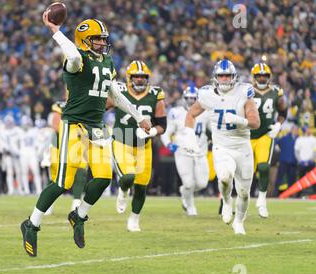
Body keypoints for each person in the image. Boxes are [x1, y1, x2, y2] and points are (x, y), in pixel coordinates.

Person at [20, 13, 151, 257]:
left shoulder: (107, 61)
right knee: (62, 183)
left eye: (103, 39)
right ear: (83, 40)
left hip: (97, 126)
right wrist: (55, 30)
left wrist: (138, 116)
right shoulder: (76, 60)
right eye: (97, 39)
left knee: (103, 178)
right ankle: (32, 224)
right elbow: (71, 54)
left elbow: (116, 95)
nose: (102, 43)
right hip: (74, 125)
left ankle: (78, 216)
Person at [184, 59, 260, 235]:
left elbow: (256, 122)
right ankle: (226, 202)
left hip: (242, 147)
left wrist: (240, 121)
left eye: (228, 76)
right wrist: (189, 137)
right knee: (225, 178)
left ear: (234, 77)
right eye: (221, 76)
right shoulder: (207, 94)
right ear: (215, 77)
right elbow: (191, 115)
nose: (225, 79)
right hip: (222, 146)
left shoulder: (244, 91)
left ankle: (239, 221)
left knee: (244, 192)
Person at [108, 60, 166, 231]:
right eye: (136, 76)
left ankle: (134, 219)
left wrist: (152, 132)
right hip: (121, 140)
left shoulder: (156, 94)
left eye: (143, 77)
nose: (140, 80)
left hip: (144, 146)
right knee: (127, 177)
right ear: (129, 77)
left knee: (141, 186)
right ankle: (123, 191)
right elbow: (100, 108)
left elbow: (163, 125)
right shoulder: (119, 91)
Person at [162, 85, 210, 216]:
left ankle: (184, 191)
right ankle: (190, 206)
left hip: (200, 152)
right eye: (188, 99)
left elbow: (213, 130)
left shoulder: (206, 112)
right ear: (184, 98)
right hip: (183, 152)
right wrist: (168, 144)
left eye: (194, 99)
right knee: (189, 183)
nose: (191, 101)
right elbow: (166, 132)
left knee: (202, 183)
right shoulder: (176, 113)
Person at [249, 63, 287, 218]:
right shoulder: (247, 91)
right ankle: (236, 201)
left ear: (269, 77)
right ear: (254, 77)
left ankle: (262, 200)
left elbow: (283, 111)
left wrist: (278, 124)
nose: (262, 78)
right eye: (259, 75)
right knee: (244, 172)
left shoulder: (276, 92)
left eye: (265, 75)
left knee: (264, 167)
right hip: (247, 135)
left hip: (265, 134)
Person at [44, 101, 89, 216]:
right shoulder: (59, 106)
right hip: (59, 144)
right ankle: (47, 204)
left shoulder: (83, 103)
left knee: (80, 172)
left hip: (77, 143)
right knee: (55, 177)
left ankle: (76, 203)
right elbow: (55, 126)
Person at [274, 125, 299, 196]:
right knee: (279, 178)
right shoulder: (285, 138)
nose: (295, 131)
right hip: (283, 161)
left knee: (291, 180)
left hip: (293, 162)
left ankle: (291, 194)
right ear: (291, 130)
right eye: (294, 130)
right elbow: (276, 142)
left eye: (296, 130)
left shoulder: (298, 139)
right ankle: (275, 194)